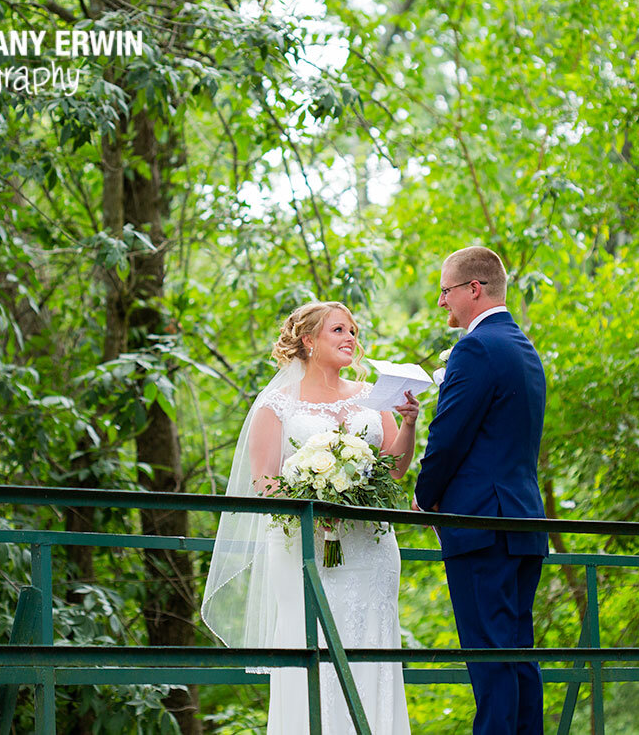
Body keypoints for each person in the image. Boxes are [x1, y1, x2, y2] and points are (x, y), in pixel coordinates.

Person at [202, 301, 419, 734]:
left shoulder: (372, 396)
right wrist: (311, 503)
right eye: (339, 330)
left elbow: (394, 469)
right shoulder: (277, 405)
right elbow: (264, 482)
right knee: (313, 649)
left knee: (373, 646)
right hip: (305, 549)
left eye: (353, 331)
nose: (350, 339)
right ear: (309, 340)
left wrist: (409, 424)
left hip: (371, 548)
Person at [413, 247, 548, 734]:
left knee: (490, 662)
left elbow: (448, 436)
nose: (441, 303)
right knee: (517, 658)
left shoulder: (476, 348)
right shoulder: (523, 347)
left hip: (481, 527)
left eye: (446, 291)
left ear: (474, 289)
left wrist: (425, 497)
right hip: (523, 524)